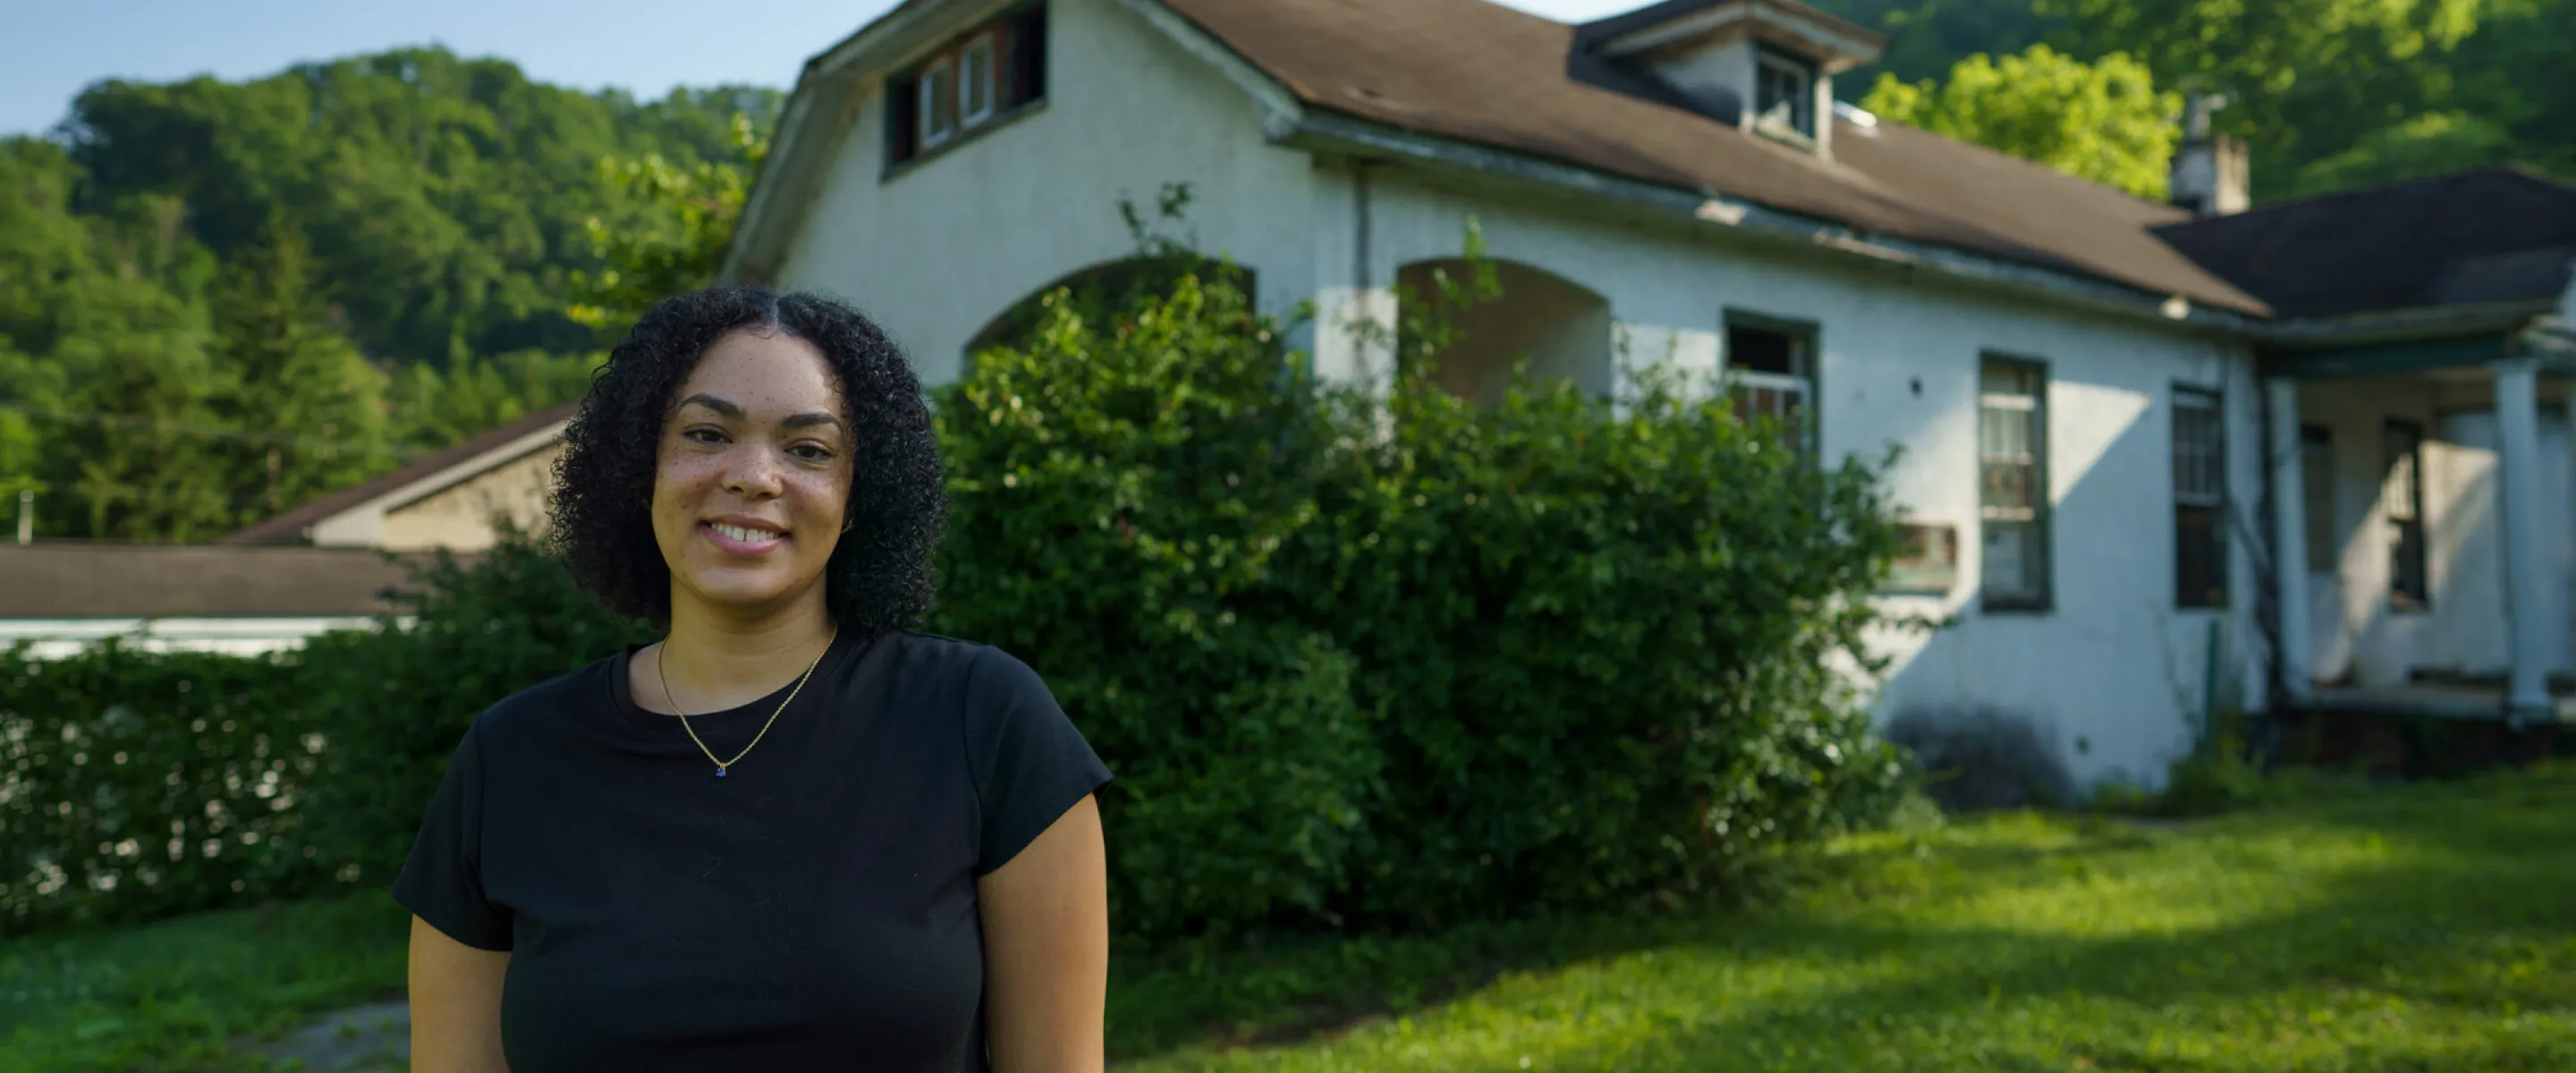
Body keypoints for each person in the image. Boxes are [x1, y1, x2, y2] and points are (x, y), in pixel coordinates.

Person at [394, 287, 1113, 1071]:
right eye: (708, 434)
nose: (754, 476)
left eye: (808, 450)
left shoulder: (986, 723)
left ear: (858, 498)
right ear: (641, 467)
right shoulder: (512, 759)